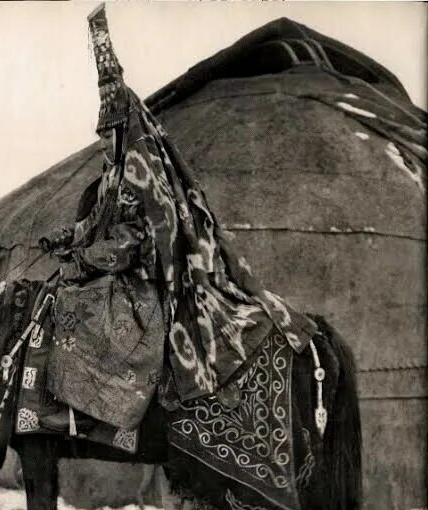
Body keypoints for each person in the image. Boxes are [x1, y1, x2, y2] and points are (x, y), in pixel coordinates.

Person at [43, 5, 317, 428]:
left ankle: (104, 414)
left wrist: (85, 259)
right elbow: (95, 223)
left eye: (108, 135)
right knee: (66, 298)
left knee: (92, 311)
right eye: (99, 137)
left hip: (146, 280)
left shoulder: (140, 175)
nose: (102, 144)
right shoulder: (113, 174)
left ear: (123, 132)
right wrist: (67, 238)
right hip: (116, 271)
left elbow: (133, 241)